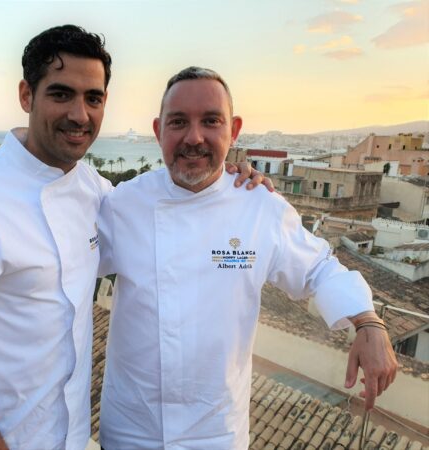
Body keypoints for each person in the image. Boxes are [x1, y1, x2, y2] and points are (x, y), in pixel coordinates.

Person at [0, 27, 267, 450]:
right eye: (60, 94)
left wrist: (229, 185)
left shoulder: (93, 190)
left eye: (93, 98)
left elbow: (162, 226)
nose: (80, 114)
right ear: (26, 95)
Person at [96, 67, 398, 450]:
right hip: (129, 431)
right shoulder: (122, 203)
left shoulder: (260, 206)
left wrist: (369, 322)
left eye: (210, 121)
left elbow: (319, 268)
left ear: (233, 130)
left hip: (216, 433)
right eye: (178, 122)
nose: (194, 137)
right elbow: (65, 259)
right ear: (158, 131)